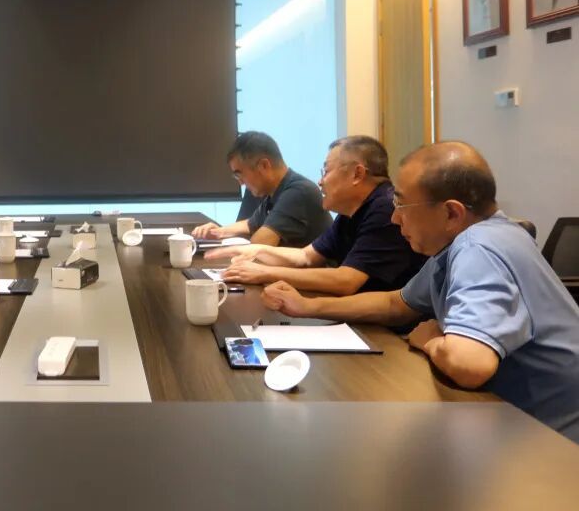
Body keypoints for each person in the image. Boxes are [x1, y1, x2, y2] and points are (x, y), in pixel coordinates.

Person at [260, 141, 579, 443]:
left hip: (551, 444)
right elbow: (395, 303)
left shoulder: (479, 247)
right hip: (511, 420)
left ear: (452, 213)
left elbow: (470, 365)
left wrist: (430, 340)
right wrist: (307, 307)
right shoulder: (471, 241)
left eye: (401, 204)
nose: (394, 217)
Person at [206, 136, 424, 295]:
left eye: (326, 171)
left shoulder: (384, 208)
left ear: (357, 174)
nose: (320, 181)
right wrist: (255, 250)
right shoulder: (350, 212)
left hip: (393, 331)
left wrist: (264, 272)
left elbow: (346, 280)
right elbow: (306, 257)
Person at [192, 131, 331, 248]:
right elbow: (251, 224)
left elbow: (259, 245)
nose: (240, 182)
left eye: (239, 174)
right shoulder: (274, 192)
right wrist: (218, 232)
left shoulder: (298, 192)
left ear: (264, 165)